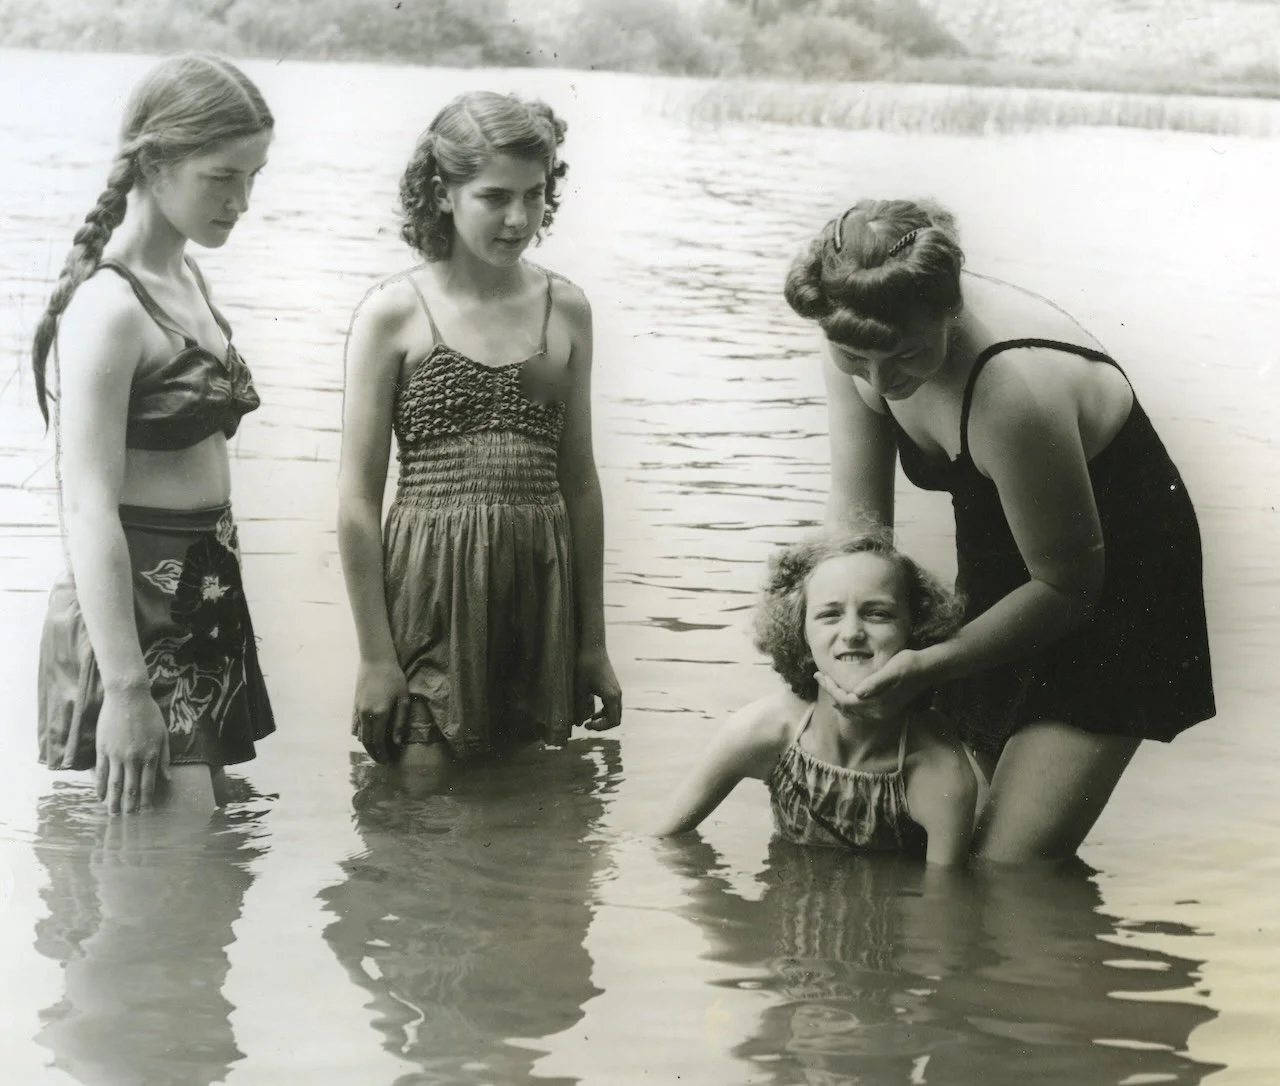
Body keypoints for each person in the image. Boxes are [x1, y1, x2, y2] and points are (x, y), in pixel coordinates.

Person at [783, 198, 1215, 863]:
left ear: (949, 312)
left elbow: (1070, 585)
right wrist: (835, 656)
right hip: (1003, 547)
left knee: (1005, 864)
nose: (878, 382)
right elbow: (859, 533)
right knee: (940, 824)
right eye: (854, 359)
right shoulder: (859, 327)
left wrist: (929, 666)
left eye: (903, 357)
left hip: (1119, 581)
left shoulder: (1012, 389)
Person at [338, 90, 622, 771]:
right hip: (429, 587)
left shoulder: (568, 310)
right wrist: (377, 658)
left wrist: (592, 644)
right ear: (443, 193)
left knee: (522, 796)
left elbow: (580, 482)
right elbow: (355, 500)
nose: (518, 218)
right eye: (494, 196)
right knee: (419, 793)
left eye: (534, 195)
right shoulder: (393, 313)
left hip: (536, 585)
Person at [33, 53, 277, 816]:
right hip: (135, 617)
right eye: (221, 176)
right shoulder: (109, 307)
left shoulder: (188, 277)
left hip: (200, 598)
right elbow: (86, 507)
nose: (240, 201)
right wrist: (129, 691)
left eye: (253, 177)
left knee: (196, 889)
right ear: (156, 160)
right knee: (167, 886)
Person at [655, 530, 978, 867]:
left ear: (916, 627)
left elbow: (942, 907)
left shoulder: (940, 772)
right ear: (800, 632)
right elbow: (660, 838)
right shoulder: (766, 729)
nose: (852, 632)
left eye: (878, 613)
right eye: (829, 615)